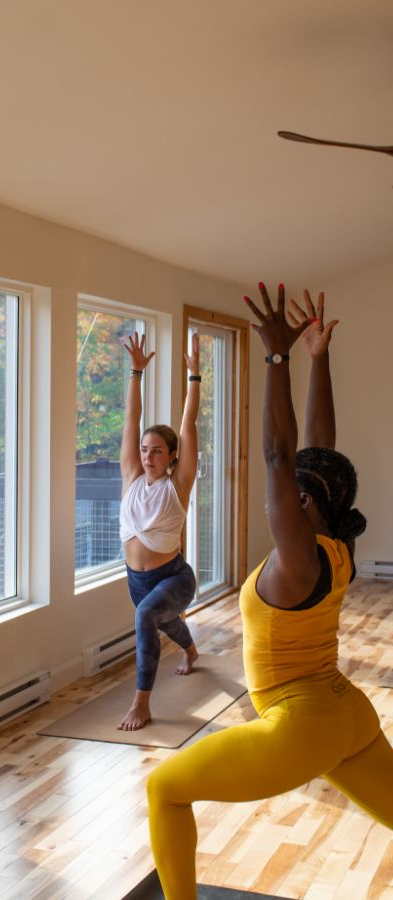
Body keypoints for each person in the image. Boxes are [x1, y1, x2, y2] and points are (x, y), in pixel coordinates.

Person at [146, 284, 393, 900]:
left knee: (163, 789)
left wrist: (277, 360)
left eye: (300, 495)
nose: (291, 496)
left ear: (311, 507)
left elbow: (281, 455)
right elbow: (315, 450)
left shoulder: (299, 560)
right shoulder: (334, 549)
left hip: (300, 724)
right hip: (347, 714)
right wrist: (318, 357)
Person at [117, 330, 201, 730]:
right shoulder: (131, 476)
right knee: (165, 623)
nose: (148, 456)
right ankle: (191, 651)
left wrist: (194, 377)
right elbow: (131, 420)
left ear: (172, 457)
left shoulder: (177, 485)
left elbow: (188, 423)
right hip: (136, 579)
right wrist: (136, 372)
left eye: (157, 451)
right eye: (145, 449)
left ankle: (141, 703)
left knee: (149, 616)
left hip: (174, 577)